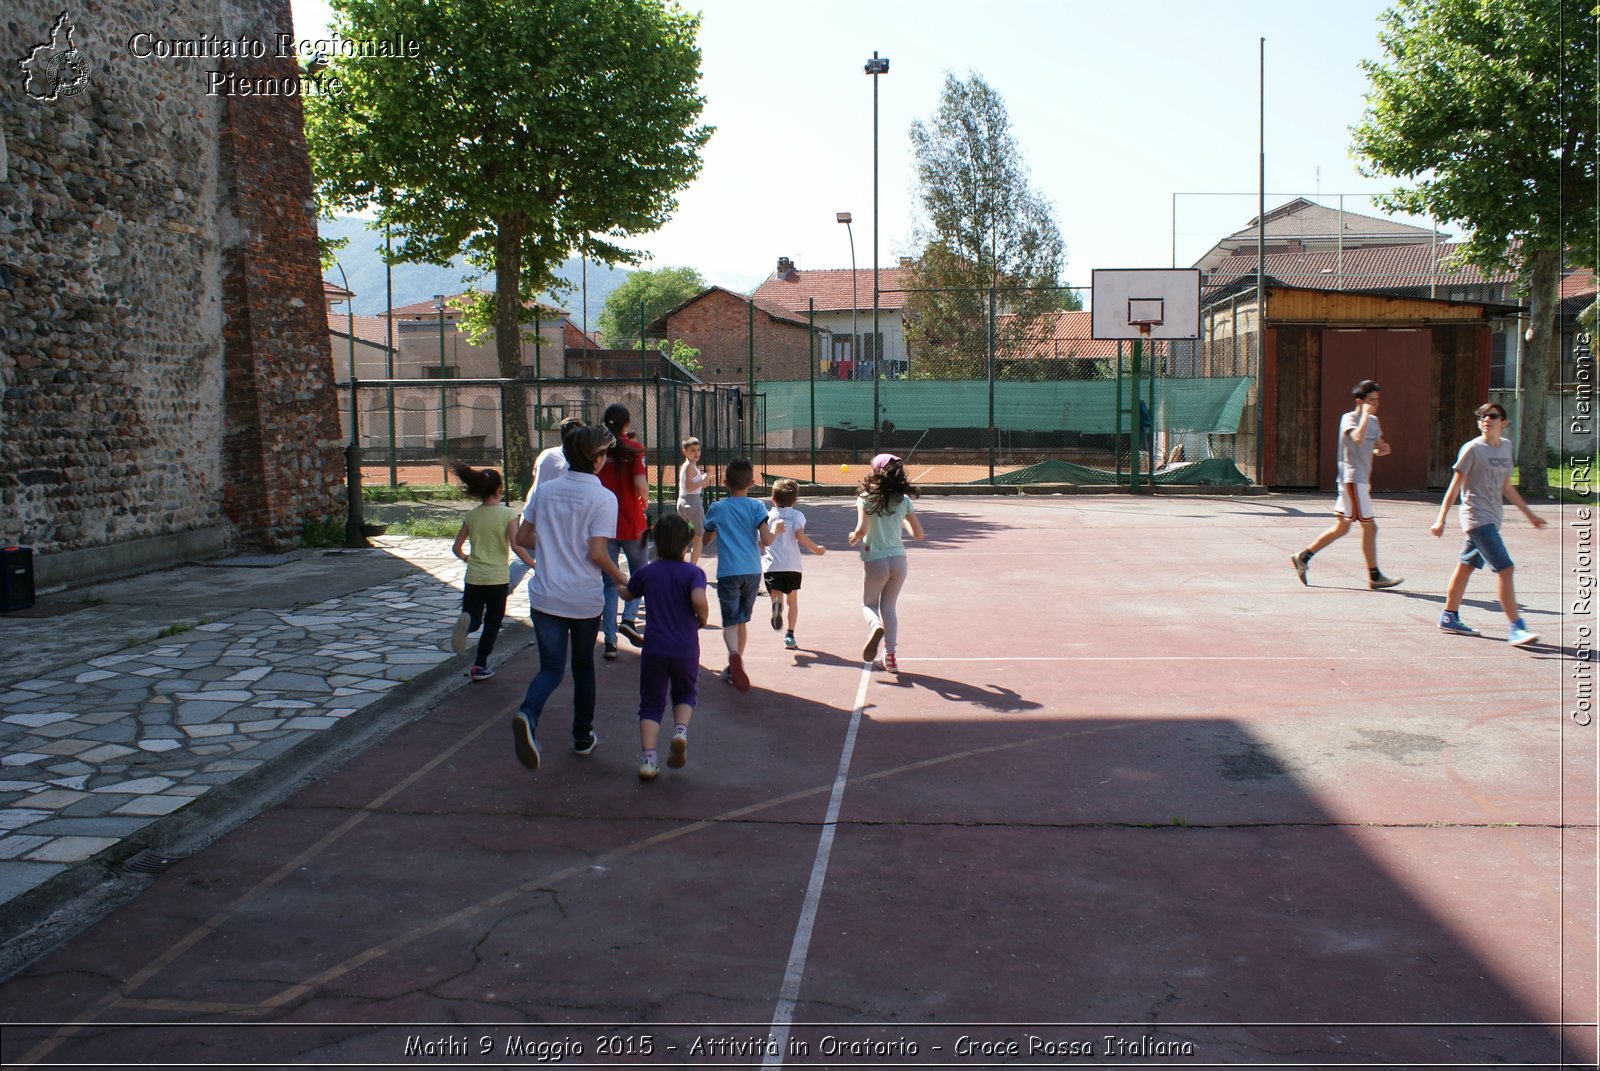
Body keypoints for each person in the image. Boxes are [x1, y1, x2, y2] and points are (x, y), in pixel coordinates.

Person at [510, 424, 633, 771]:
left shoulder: (545, 491)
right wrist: (621, 578)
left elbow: (523, 536)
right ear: (595, 459)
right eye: (604, 454)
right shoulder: (603, 498)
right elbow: (597, 551)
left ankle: (527, 714)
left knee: (550, 668)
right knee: (583, 668)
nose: (606, 459)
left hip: (545, 596)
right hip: (582, 598)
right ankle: (582, 737)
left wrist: (554, 542)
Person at [1428, 402, 1548, 645]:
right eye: (1482, 416)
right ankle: (1516, 627)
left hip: (1493, 519)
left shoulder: (1505, 447)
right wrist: (1441, 518)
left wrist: (1529, 514)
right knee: (1505, 568)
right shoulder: (1472, 449)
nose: (1486, 420)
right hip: (1476, 519)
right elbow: (1455, 486)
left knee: (1466, 566)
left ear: (1503, 422)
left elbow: (1506, 487)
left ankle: (1449, 616)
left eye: (1492, 416)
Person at [618, 514, 708, 781]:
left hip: (654, 647)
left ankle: (648, 759)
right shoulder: (693, 573)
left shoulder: (647, 572)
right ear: (685, 546)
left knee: (651, 703)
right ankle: (680, 730)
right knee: (685, 693)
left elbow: (627, 593)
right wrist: (701, 618)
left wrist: (616, 577)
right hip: (685, 647)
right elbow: (698, 598)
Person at [1290, 380, 1403, 590]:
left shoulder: (1374, 422)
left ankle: (1303, 556)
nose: (1376, 404)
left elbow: (1375, 446)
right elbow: (1358, 438)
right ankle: (1374, 575)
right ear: (1360, 401)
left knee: (1341, 527)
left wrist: (1382, 449)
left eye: (1377, 401)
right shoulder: (1349, 419)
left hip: (1360, 481)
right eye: (1371, 400)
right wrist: (1366, 415)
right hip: (1352, 480)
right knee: (1370, 527)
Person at [447, 460, 535, 681]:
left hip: (474, 577)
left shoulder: (472, 515)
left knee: (474, 618)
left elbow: (456, 548)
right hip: (497, 579)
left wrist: (467, 558)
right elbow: (517, 545)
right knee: (492, 623)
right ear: (499, 489)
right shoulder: (508, 514)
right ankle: (479, 665)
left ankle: (466, 625)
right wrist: (534, 564)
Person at [700, 457, 779, 692]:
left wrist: (715, 530)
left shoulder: (717, 508)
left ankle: (733, 655)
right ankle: (734, 667)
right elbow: (766, 540)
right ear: (753, 482)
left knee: (730, 622)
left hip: (728, 573)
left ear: (724, 482)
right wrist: (775, 530)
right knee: (742, 620)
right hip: (752, 572)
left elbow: (705, 540)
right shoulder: (756, 507)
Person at [847, 453, 925, 673]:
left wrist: (854, 536)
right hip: (899, 561)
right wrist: (903, 523)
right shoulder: (904, 500)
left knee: (869, 605)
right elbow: (919, 533)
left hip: (876, 559)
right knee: (889, 607)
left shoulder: (865, 497)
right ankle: (890, 656)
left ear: (875, 472)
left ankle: (875, 626)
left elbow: (861, 529)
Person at [508, 415, 584, 593]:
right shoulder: (571, 463)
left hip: (532, 512)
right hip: (551, 518)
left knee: (523, 559)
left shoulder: (546, 454)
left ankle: (498, 592)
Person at [597, 403, 649, 660]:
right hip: (631, 521)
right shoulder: (633, 448)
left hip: (603, 524)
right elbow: (640, 483)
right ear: (626, 425)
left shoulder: (597, 449)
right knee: (641, 574)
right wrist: (645, 500)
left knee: (608, 583)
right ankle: (629, 617)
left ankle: (609, 641)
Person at [762, 478, 826, 650]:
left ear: (772, 499)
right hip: (793, 565)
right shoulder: (798, 516)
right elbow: (799, 535)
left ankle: (776, 606)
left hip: (772, 565)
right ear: (795, 500)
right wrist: (815, 548)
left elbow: (762, 541)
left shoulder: (767, 517)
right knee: (793, 601)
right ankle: (790, 635)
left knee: (777, 596)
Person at [677, 436, 709, 565]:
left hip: (684, 503)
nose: (696, 453)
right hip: (692, 504)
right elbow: (690, 487)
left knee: (686, 536)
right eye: (692, 450)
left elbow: (691, 486)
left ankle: (678, 565)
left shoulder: (688, 466)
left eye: (698, 450)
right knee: (698, 536)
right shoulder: (689, 466)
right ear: (685, 452)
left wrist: (702, 481)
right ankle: (692, 567)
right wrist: (702, 480)